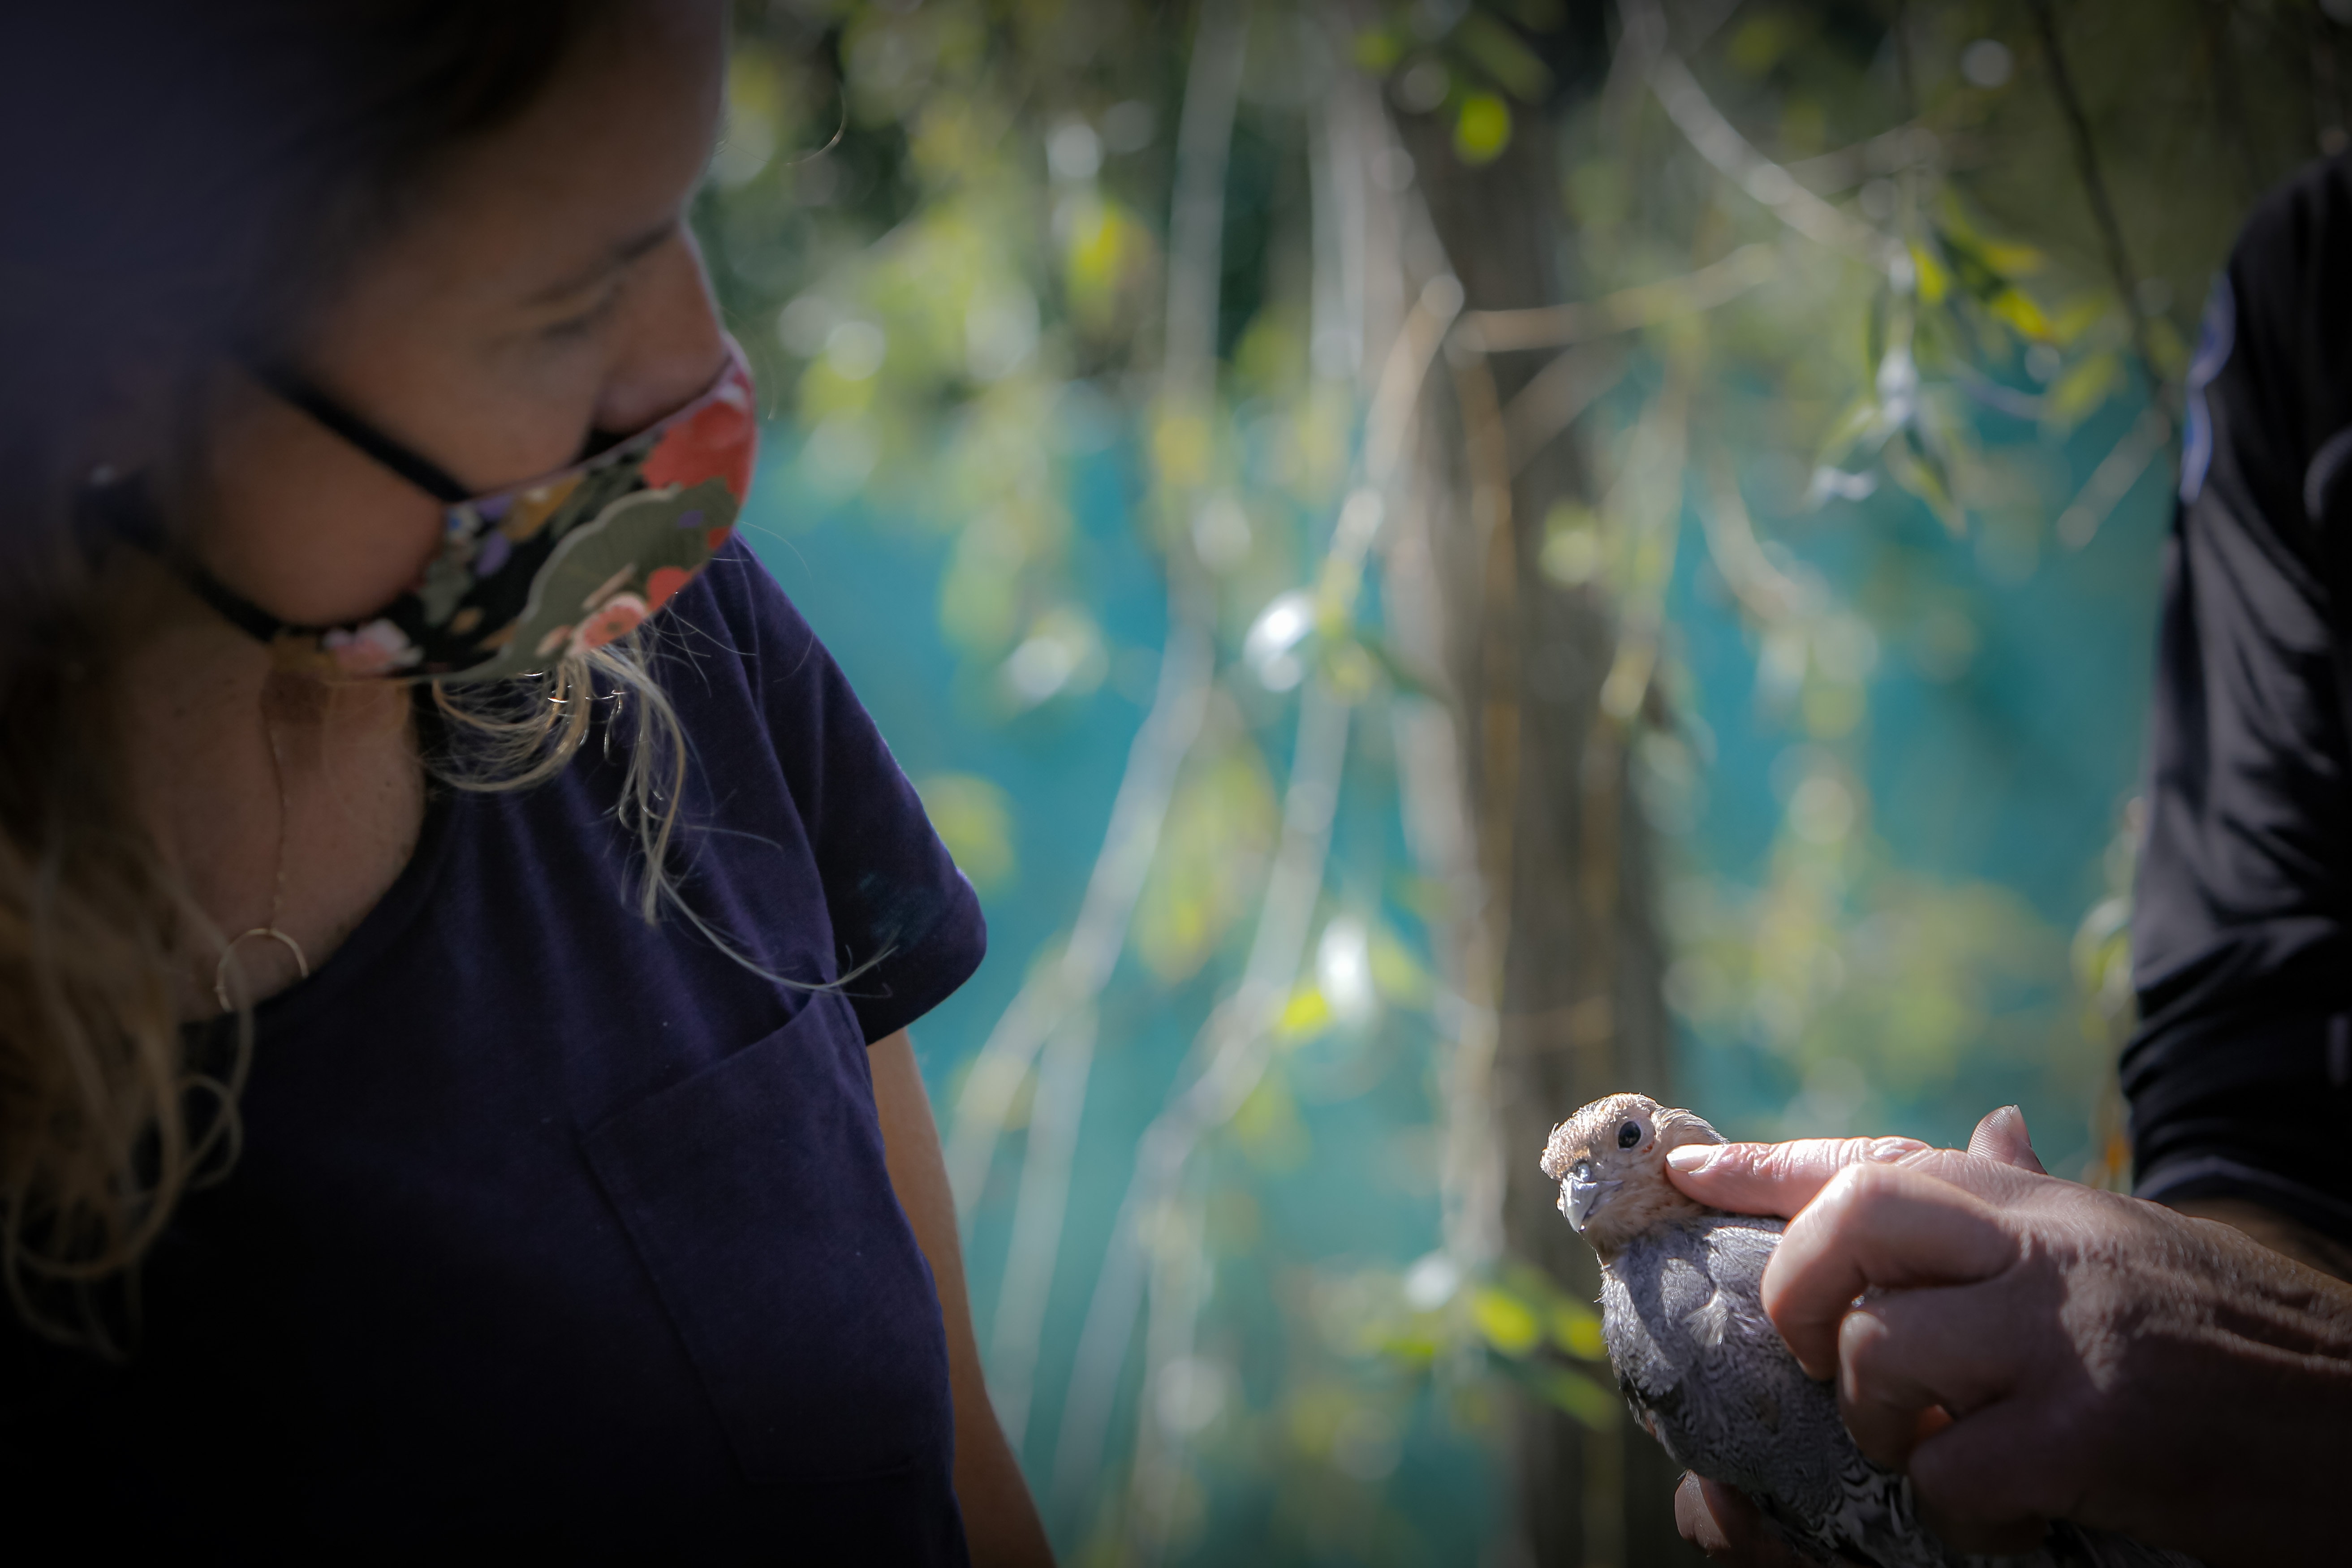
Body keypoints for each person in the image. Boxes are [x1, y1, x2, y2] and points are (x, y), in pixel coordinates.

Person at [0, 4, 1050, 1560]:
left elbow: (957, 1466)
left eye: (681, 217)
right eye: (564, 309)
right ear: (107, 371)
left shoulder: (669, 645)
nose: (698, 360)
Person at [1658, 155, 2352, 1568]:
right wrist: (2110, 1348)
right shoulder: (2313, 292)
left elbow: (2282, 1376)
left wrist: (2306, 1405)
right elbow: (2262, 1101)